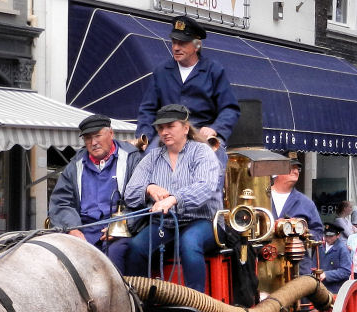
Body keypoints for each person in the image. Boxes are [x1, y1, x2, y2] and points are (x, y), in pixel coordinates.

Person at [123, 104, 222, 293]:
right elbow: (130, 193)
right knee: (135, 248)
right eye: (161, 128)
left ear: (185, 128)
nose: (164, 132)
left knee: (190, 242)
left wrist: (174, 198)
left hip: (203, 221)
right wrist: (149, 189)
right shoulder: (152, 157)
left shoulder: (202, 152)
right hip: (165, 224)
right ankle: (141, 307)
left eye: (170, 126)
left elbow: (205, 187)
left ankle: (196, 305)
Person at [135, 15, 240, 172]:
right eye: (174, 42)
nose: (176, 47)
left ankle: (214, 196)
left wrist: (215, 129)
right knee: (145, 164)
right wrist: (144, 136)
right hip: (167, 132)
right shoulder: (161, 71)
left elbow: (230, 109)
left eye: (182, 43)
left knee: (214, 166)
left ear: (196, 45)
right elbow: (148, 109)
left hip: (201, 132)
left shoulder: (213, 70)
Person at [48, 113, 143, 273]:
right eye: (87, 138)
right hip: (84, 229)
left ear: (111, 133)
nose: (93, 143)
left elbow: (142, 199)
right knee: (58, 257)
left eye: (98, 136)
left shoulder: (131, 158)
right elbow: (61, 202)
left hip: (119, 230)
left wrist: (123, 224)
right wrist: (72, 228)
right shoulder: (75, 165)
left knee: (114, 254)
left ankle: (118, 297)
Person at [270, 158, 323, 241]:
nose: (296, 172)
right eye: (291, 168)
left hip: (296, 253)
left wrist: (301, 231)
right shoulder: (261, 197)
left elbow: (318, 234)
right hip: (265, 252)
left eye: (298, 169)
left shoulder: (306, 203)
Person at [303, 220, 352, 294]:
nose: (328, 238)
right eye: (326, 236)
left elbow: (346, 271)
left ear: (338, 235)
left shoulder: (342, 249)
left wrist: (326, 274)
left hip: (336, 289)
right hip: (319, 287)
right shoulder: (319, 247)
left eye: (331, 236)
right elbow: (313, 266)